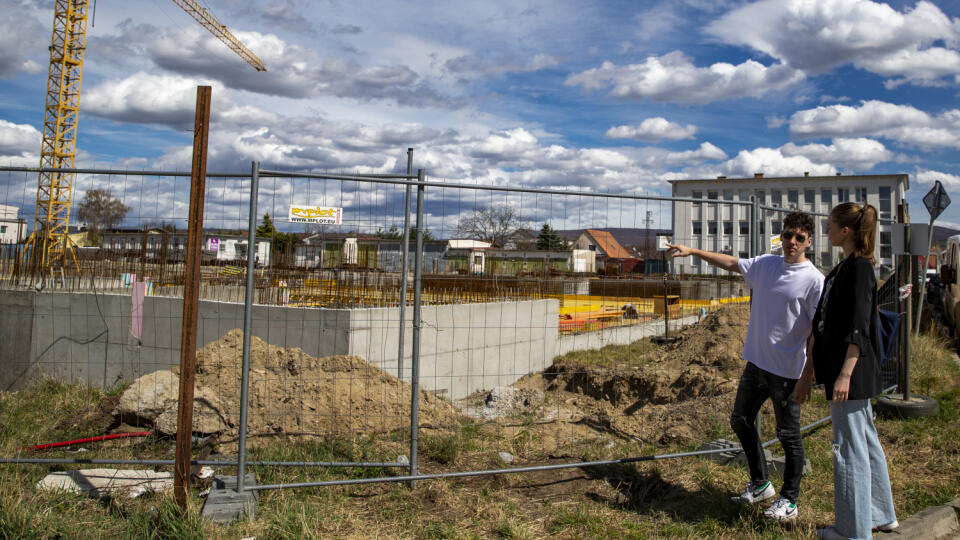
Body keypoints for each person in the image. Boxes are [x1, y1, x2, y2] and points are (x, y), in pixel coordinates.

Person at [666, 212, 823, 523]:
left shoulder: (814, 281)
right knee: (740, 420)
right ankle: (761, 483)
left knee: (787, 434)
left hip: (788, 371)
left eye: (799, 238)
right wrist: (693, 251)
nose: (792, 242)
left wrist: (808, 376)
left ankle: (789, 500)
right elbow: (731, 263)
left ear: (809, 242)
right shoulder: (766, 265)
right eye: (788, 236)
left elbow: (819, 332)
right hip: (757, 363)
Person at [793, 203, 898, 540]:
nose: (826, 230)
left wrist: (844, 374)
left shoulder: (860, 270)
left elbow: (858, 327)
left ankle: (852, 531)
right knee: (865, 443)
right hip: (851, 374)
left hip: (850, 374)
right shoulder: (848, 267)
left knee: (847, 451)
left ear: (847, 231)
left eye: (830, 225)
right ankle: (881, 515)